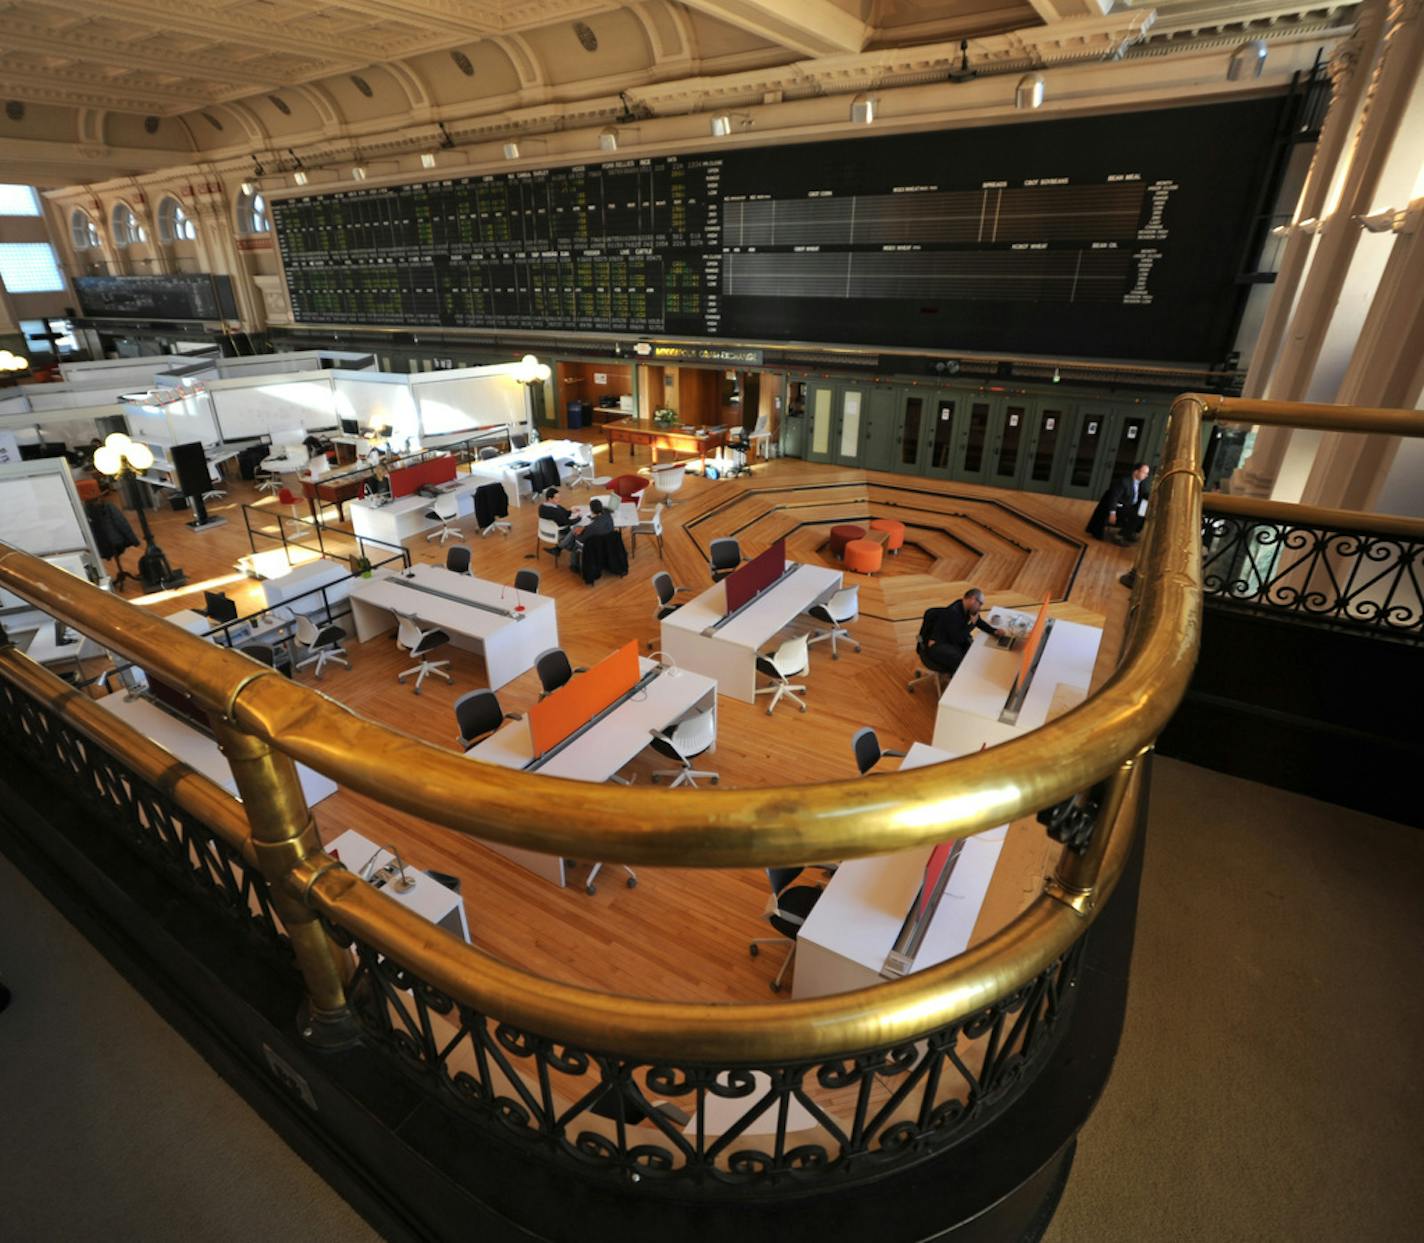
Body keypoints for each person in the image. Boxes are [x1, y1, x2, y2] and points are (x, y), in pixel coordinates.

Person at [918, 587, 1005, 679]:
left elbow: (978, 621)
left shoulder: (967, 608)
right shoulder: (953, 613)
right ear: (973, 600)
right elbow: (958, 639)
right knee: (963, 661)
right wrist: (971, 624)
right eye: (980, 604)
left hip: (950, 641)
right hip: (937, 646)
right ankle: (956, 680)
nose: (980, 607)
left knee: (972, 652)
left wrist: (994, 631)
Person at [1087, 462, 1151, 543]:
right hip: (1119, 506)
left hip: (1130, 505)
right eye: (1144, 473)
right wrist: (1112, 513)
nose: (1146, 475)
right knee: (1137, 516)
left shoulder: (1142, 482)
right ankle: (1120, 536)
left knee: (1143, 514)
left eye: (1147, 473)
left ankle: (1128, 533)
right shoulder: (1123, 482)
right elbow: (1113, 498)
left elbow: (1144, 493)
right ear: (1136, 472)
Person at [539, 486, 577, 550]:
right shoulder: (555, 510)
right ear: (550, 499)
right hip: (556, 532)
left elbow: (562, 515)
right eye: (556, 498)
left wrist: (570, 511)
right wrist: (579, 518)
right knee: (577, 528)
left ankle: (558, 548)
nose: (559, 499)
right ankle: (560, 547)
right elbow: (567, 522)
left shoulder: (541, 507)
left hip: (544, 531)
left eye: (559, 497)